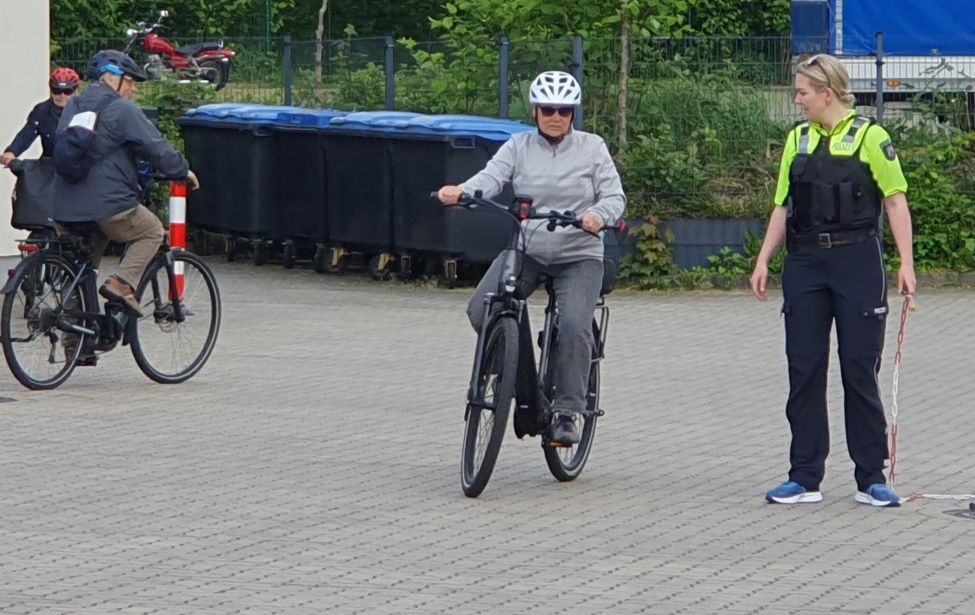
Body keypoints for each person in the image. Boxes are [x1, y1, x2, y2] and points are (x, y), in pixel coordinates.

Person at [750, 54, 916, 508]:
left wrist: (907, 263)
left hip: (857, 262)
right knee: (803, 369)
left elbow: (896, 202)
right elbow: (782, 205)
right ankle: (804, 476)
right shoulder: (796, 140)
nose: (797, 99)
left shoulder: (870, 137)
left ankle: (871, 478)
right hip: (805, 263)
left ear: (827, 92)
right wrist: (764, 259)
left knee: (859, 369)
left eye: (803, 91)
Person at [437, 70, 626, 446]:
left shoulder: (593, 147)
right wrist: (461, 191)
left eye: (564, 110)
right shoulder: (518, 146)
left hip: (579, 254)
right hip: (527, 251)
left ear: (573, 113)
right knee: (482, 308)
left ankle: (566, 412)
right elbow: (490, 179)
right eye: (548, 109)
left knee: (573, 326)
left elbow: (614, 197)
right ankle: (514, 375)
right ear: (536, 110)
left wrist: (598, 216)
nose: (556, 116)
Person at [53, 49, 199, 323]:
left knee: (79, 269)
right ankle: (122, 283)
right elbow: (156, 147)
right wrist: (181, 170)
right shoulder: (122, 109)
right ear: (112, 79)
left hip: (65, 206)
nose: (133, 90)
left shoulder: (74, 105)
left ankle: (77, 344)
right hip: (110, 206)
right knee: (152, 230)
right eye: (130, 82)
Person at [1, 68, 81, 168]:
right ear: (51, 89)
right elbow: (27, 133)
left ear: (76, 91)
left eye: (67, 91)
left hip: (80, 168)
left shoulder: (85, 110)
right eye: (57, 90)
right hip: (50, 167)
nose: (62, 95)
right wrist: (12, 152)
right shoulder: (42, 110)